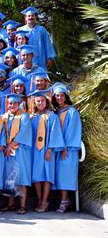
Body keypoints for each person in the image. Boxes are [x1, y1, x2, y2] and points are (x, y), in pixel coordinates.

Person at [27, 89, 65, 213]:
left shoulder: (52, 116)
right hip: (35, 151)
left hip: (48, 150)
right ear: (35, 103)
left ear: (46, 101)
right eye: (38, 101)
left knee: (47, 176)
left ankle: (44, 201)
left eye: (43, 100)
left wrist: (50, 150)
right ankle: (40, 200)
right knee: (37, 177)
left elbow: (55, 134)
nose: (40, 103)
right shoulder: (31, 117)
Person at [52, 83, 82, 213]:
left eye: (62, 95)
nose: (59, 98)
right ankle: (64, 200)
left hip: (68, 149)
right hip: (58, 149)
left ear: (66, 96)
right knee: (59, 174)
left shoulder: (72, 111)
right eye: (57, 95)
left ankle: (64, 201)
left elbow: (72, 131)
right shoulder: (56, 111)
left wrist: (65, 147)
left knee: (65, 175)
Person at [0, 94, 33, 215]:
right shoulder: (5, 117)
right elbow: (1, 132)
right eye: (10, 103)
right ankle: (10, 204)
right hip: (8, 152)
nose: (12, 105)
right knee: (10, 177)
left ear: (18, 104)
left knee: (22, 178)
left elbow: (23, 133)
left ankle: (23, 206)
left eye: (14, 103)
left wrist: (10, 145)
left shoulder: (24, 117)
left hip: (21, 151)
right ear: (7, 104)